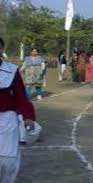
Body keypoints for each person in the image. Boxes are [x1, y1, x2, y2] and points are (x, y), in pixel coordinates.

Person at [0, 37, 36, 183]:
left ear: (2, 50)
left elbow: (21, 95)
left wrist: (28, 116)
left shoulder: (11, 70)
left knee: (8, 160)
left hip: (7, 119)